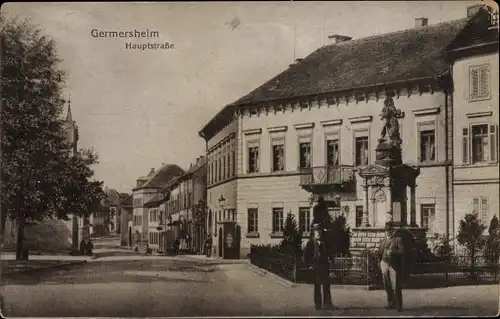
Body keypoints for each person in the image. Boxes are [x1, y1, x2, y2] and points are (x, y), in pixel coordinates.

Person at [303, 223, 338, 310]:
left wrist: (330, 261)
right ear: (314, 232)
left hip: (324, 265)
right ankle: (318, 305)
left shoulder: (325, 242)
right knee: (317, 286)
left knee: (326, 285)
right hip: (315, 266)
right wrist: (310, 266)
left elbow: (329, 253)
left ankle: (328, 304)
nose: (318, 232)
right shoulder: (310, 242)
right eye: (316, 231)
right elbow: (306, 256)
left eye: (319, 231)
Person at [378, 220, 405, 312]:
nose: (388, 231)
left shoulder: (398, 239)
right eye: (386, 230)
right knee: (387, 285)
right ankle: (391, 304)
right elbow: (380, 252)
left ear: (393, 230)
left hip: (394, 265)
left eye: (390, 230)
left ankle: (399, 306)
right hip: (384, 264)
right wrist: (381, 261)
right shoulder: (383, 240)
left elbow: (402, 252)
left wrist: (393, 252)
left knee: (396, 286)